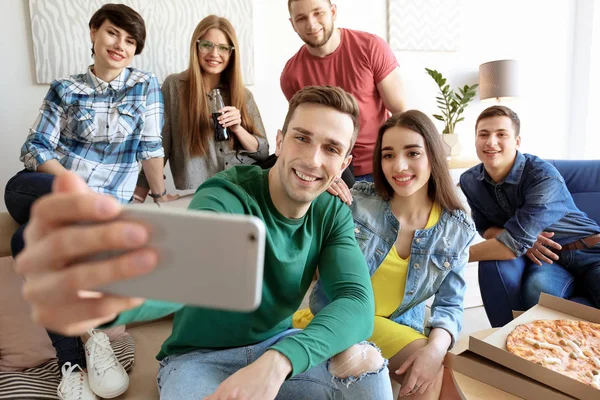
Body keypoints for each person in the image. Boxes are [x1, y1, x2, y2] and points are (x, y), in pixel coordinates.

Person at [15, 86, 395, 399]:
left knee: (369, 370)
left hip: (277, 349)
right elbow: (195, 261)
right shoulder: (226, 193)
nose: (313, 160)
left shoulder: (331, 212)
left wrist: (280, 359)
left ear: (345, 162)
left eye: (331, 148)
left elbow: (356, 302)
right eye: (302, 138)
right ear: (280, 140)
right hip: (197, 360)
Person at [3, 4, 164, 399]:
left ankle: (71, 361)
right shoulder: (65, 88)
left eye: (130, 41)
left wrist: (160, 196)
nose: (120, 45)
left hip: (99, 210)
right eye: (113, 33)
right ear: (94, 32)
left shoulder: (144, 86)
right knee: (15, 187)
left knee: (25, 241)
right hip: (55, 189)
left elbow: (150, 147)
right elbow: (35, 147)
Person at [294, 111, 475, 399]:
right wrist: (314, 192)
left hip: (400, 326)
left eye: (413, 153)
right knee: (433, 374)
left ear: (433, 156)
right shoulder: (355, 202)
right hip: (339, 316)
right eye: (388, 155)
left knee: (439, 366)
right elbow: (301, 251)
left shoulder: (456, 228)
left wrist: (437, 348)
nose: (399, 166)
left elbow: (450, 305)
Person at [461, 105, 600, 322]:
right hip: (549, 260)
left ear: (517, 141)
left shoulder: (542, 176)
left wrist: (449, 256)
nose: (491, 142)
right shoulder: (469, 181)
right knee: (538, 290)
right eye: (484, 134)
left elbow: (510, 246)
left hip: (591, 253)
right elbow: (485, 228)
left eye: (501, 134)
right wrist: (526, 240)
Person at [133, 15, 269, 202]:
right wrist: (142, 197)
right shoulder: (174, 86)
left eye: (223, 48)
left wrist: (238, 128)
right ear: (196, 46)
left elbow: (262, 153)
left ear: (231, 53)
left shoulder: (243, 95)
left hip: (245, 190)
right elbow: (158, 145)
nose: (214, 54)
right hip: (201, 193)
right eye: (207, 45)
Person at [281, 0, 405, 184]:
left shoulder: (371, 47)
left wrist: (397, 163)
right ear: (292, 25)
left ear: (332, 12)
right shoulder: (291, 75)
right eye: (301, 18)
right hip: (327, 174)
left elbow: (401, 112)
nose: (311, 24)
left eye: (318, 13)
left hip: (377, 168)